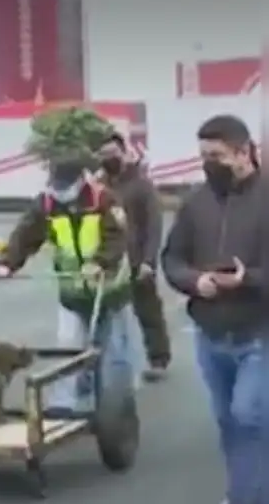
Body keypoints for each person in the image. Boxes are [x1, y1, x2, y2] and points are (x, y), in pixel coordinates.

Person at [160, 114, 265, 504]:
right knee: (229, 422)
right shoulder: (195, 202)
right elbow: (172, 259)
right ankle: (247, 488)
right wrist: (194, 281)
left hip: (259, 333)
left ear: (243, 152)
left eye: (216, 155)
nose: (208, 163)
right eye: (203, 155)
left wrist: (247, 279)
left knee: (249, 417)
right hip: (211, 335)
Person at [0, 156, 141, 416]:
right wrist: (8, 263)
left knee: (113, 351)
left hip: (109, 289)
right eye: (56, 185)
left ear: (82, 179)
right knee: (67, 347)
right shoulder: (46, 204)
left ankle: (116, 407)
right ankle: (63, 403)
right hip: (72, 289)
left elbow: (118, 238)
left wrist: (99, 262)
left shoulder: (104, 200)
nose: (61, 191)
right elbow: (25, 235)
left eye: (66, 185)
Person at [96, 133, 171, 380]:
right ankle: (106, 362)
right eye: (104, 156)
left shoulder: (141, 185)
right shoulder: (99, 186)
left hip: (138, 260)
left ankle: (158, 359)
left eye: (113, 154)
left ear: (124, 153)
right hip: (111, 261)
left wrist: (149, 261)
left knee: (148, 310)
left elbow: (153, 225)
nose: (109, 160)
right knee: (107, 313)